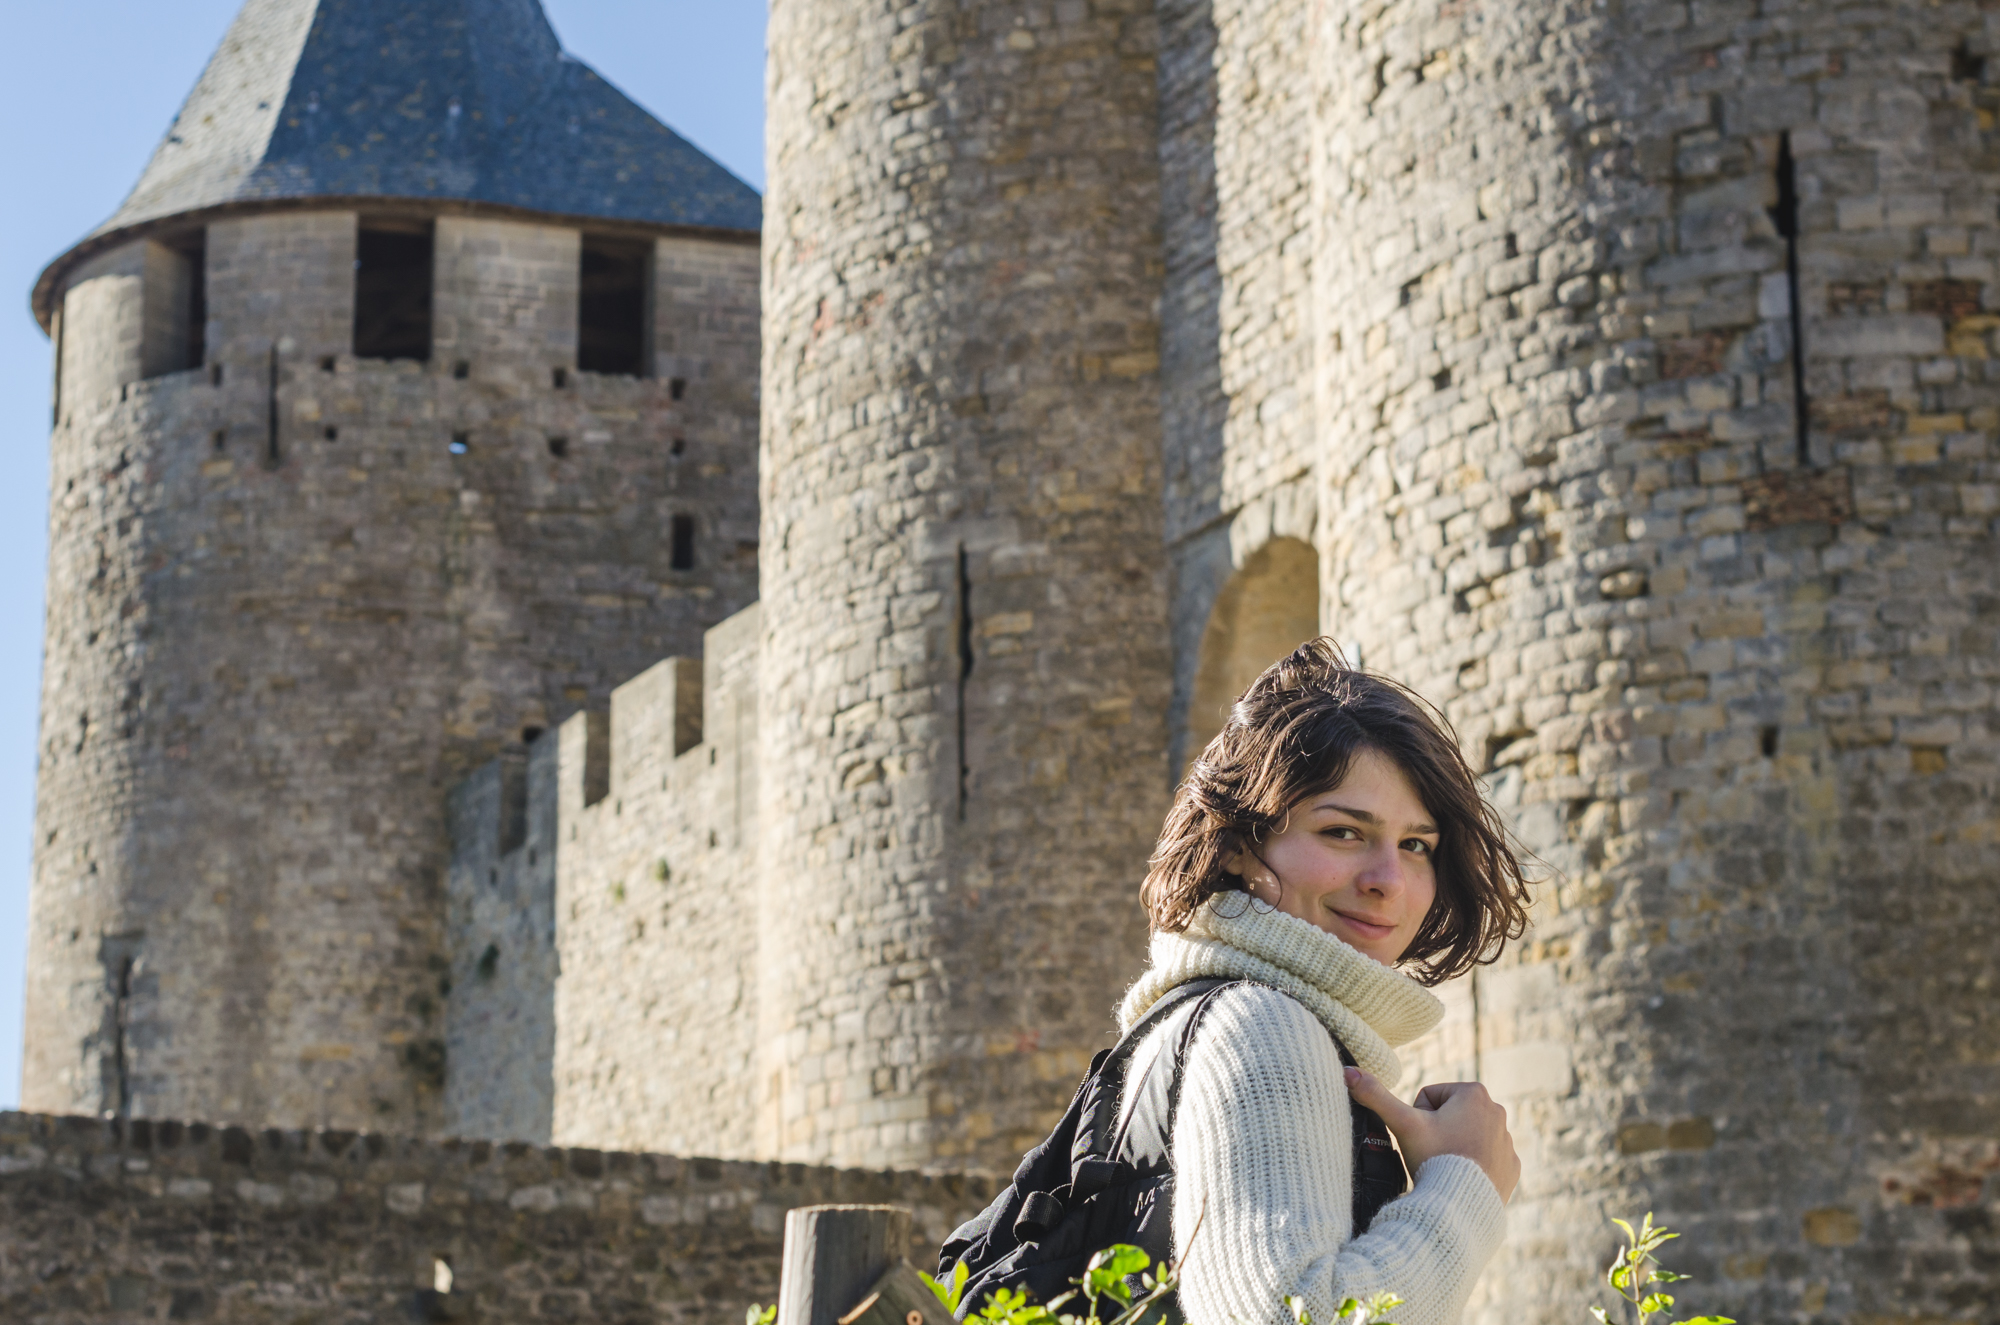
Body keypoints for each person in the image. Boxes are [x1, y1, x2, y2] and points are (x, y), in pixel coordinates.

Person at [1123, 638, 1532, 1325]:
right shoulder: (1262, 1026)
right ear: (1238, 847)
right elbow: (1291, 1317)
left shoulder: (1192, 1021)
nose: (1388, 880)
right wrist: (1467, 1182)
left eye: (1416, 845)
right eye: (1344, 832)